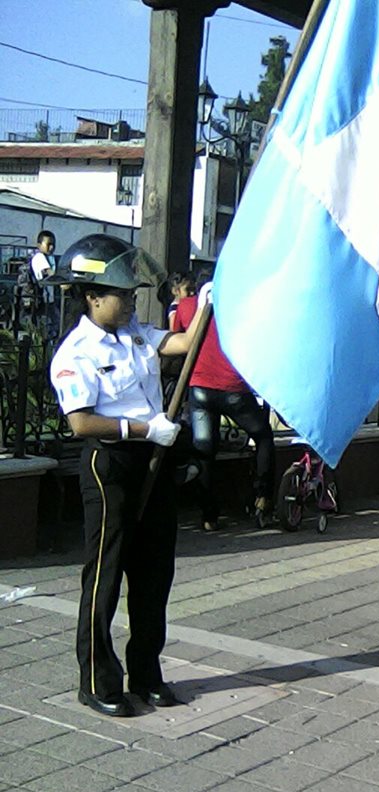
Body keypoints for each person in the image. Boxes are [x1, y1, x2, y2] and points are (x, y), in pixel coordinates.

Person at [47, 234, 205, 717]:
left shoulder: (136, 332)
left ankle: (146, 672)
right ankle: (96, 679)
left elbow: (180, 343)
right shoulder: (75, 352)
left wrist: (204, 308)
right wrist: (142, 428)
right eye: (122, 294)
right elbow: (81, 423)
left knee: (155, 571)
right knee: (106, 573)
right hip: (111, 463)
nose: (131, 300)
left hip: (153, 460)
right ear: (93, 296)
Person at [170, 272, 276, 531]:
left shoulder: (186, 306)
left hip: (199, 388)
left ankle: (209, 516)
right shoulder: (240, 305)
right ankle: (262, 497)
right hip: (232, 388)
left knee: (204, 448)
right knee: (262, 436)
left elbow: (177, 335)